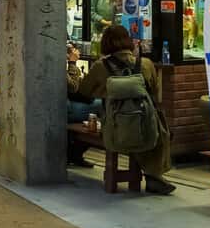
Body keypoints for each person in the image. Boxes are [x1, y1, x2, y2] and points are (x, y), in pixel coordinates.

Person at [77, 25, 175, 195]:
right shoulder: (146, 64)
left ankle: (152, 176)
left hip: (113, 131)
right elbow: (155, 92)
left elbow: (84, 91)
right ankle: (153, 175)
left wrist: (105, 91)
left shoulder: (100, 66)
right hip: (146, 129)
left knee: (122, 124)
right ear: (129, 41)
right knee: (154, 123)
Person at [65, 43, 102, 168]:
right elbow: (73, 87)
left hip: (68, 103)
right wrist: (72, 63)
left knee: (96, 110)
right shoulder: (60, 64)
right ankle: (75, 153)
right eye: (74, 49)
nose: (77, 51)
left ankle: (75, 153)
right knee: (102, 105)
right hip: (65, 107)